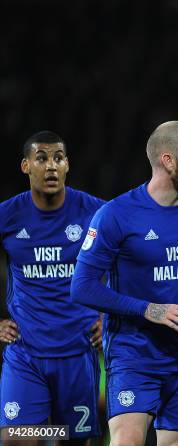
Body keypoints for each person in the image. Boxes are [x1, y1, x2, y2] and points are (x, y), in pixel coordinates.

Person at [71, 121, 178, 446]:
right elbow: (81, 285)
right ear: (169, 160)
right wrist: (148, 309)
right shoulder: (116, 215)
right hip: (133, 353)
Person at [0, 131, 104, 445]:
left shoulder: (95, 212)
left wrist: (111, 317)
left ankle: (54, 434)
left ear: (68, 165)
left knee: (72, 439)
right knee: (16, 438)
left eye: (58, 158)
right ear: (25, 166)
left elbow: (128, 262)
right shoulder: (7, 216)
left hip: (78, 351)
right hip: (25, 351)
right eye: (42, 158)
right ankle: (49, 433)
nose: (51, 167)